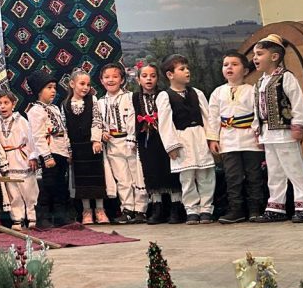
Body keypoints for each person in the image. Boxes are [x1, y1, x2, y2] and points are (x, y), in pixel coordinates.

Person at [251, 35, 303, 223]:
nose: (255, 58)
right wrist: (257, 130)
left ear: (274, 56)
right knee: (274, 171)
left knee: (294, 169)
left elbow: (297, 102)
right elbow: (257, 108)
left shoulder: (286, 77)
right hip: (268, 133)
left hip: (285, 132)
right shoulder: (260, 82)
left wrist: (298, 124)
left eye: (259, 54)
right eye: (254, 54)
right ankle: (276, 207)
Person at [155, 55, 216, 225]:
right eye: (182, 69)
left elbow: (208, 117)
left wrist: (211, 139)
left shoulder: (197, 93)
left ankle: (206, 208)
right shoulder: (165, 96)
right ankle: (191, 209)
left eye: (187, 68)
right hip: (182, 140)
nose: (187, 71)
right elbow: (165, 123)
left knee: (206, 175)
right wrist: (171, 145)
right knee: (187, 177)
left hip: (200, 137)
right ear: (170, 75)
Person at [206, 52, 266, 223]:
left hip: (250, 140)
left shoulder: (253, 90)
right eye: (226, 65)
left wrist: (259, 135)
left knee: (254, 175)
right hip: (228, 140)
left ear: (245, 70)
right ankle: (236, 209)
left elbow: (259, 114)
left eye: (234, 64)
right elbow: (213, 117)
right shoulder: (218, 92)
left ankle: (255, 209)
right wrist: (213, 139)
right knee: (232, 177)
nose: (229, 67)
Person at [92, 63, 147, 224]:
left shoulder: (130, 97)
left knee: (137, 175)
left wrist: (132, 137)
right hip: (113, 143)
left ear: (122, 79)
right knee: (122, 178)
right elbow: (98, 121)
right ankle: (127, 208)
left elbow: (133, 118)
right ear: (101, 80)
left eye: (115, 76)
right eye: (107, 77)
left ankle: (141, 209)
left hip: (130, 141)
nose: (111, 80)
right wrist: (102, 133)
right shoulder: (100, 102)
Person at [133, 62, 183, 225]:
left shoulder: (164, 95)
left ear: (158, 78)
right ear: (138, 79)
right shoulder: (134, 98)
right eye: (144, 76)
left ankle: (175, 207)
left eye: (153, 76)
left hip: (163, 138)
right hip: (146, 140)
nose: (149, 79)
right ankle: (157, 207)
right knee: (151, 172)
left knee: (169, 171)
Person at [26, 70, 71, 228]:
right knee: (48, 185)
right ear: (39, 90)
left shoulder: (55, 109)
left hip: (60, 151)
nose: (53, 91)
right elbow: (37, 136)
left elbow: (63, 130)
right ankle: (42, 217)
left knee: (60, 184)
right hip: (49, 153)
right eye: (49, 87)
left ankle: (60, 216)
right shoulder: (35, 110)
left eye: (54, 88)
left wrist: (68, 151)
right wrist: (46, 156)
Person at [63, 69, 107, 225]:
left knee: (96, 178)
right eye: (82, 84)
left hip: (91, 146)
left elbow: (97, 120)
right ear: (72, 84)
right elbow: (64, 129)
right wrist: (68, 150)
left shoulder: (92, 100)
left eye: (88, 84)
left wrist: (96, 140)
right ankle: (86, 210)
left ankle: (100, 209)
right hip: (77, 147)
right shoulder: (65, 104)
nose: (85, 87)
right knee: (82, 180)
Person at [0, 90, 39, 230]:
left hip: (22, 157)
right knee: (13, 192)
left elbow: (31, 138)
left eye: (6, 103)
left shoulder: (21, 120)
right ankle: (17, 219)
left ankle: (32, 216)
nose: (3, 106)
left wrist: (33, 156)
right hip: (7, 160)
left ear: (13, 104)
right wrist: (2, 161)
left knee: (28, 189)